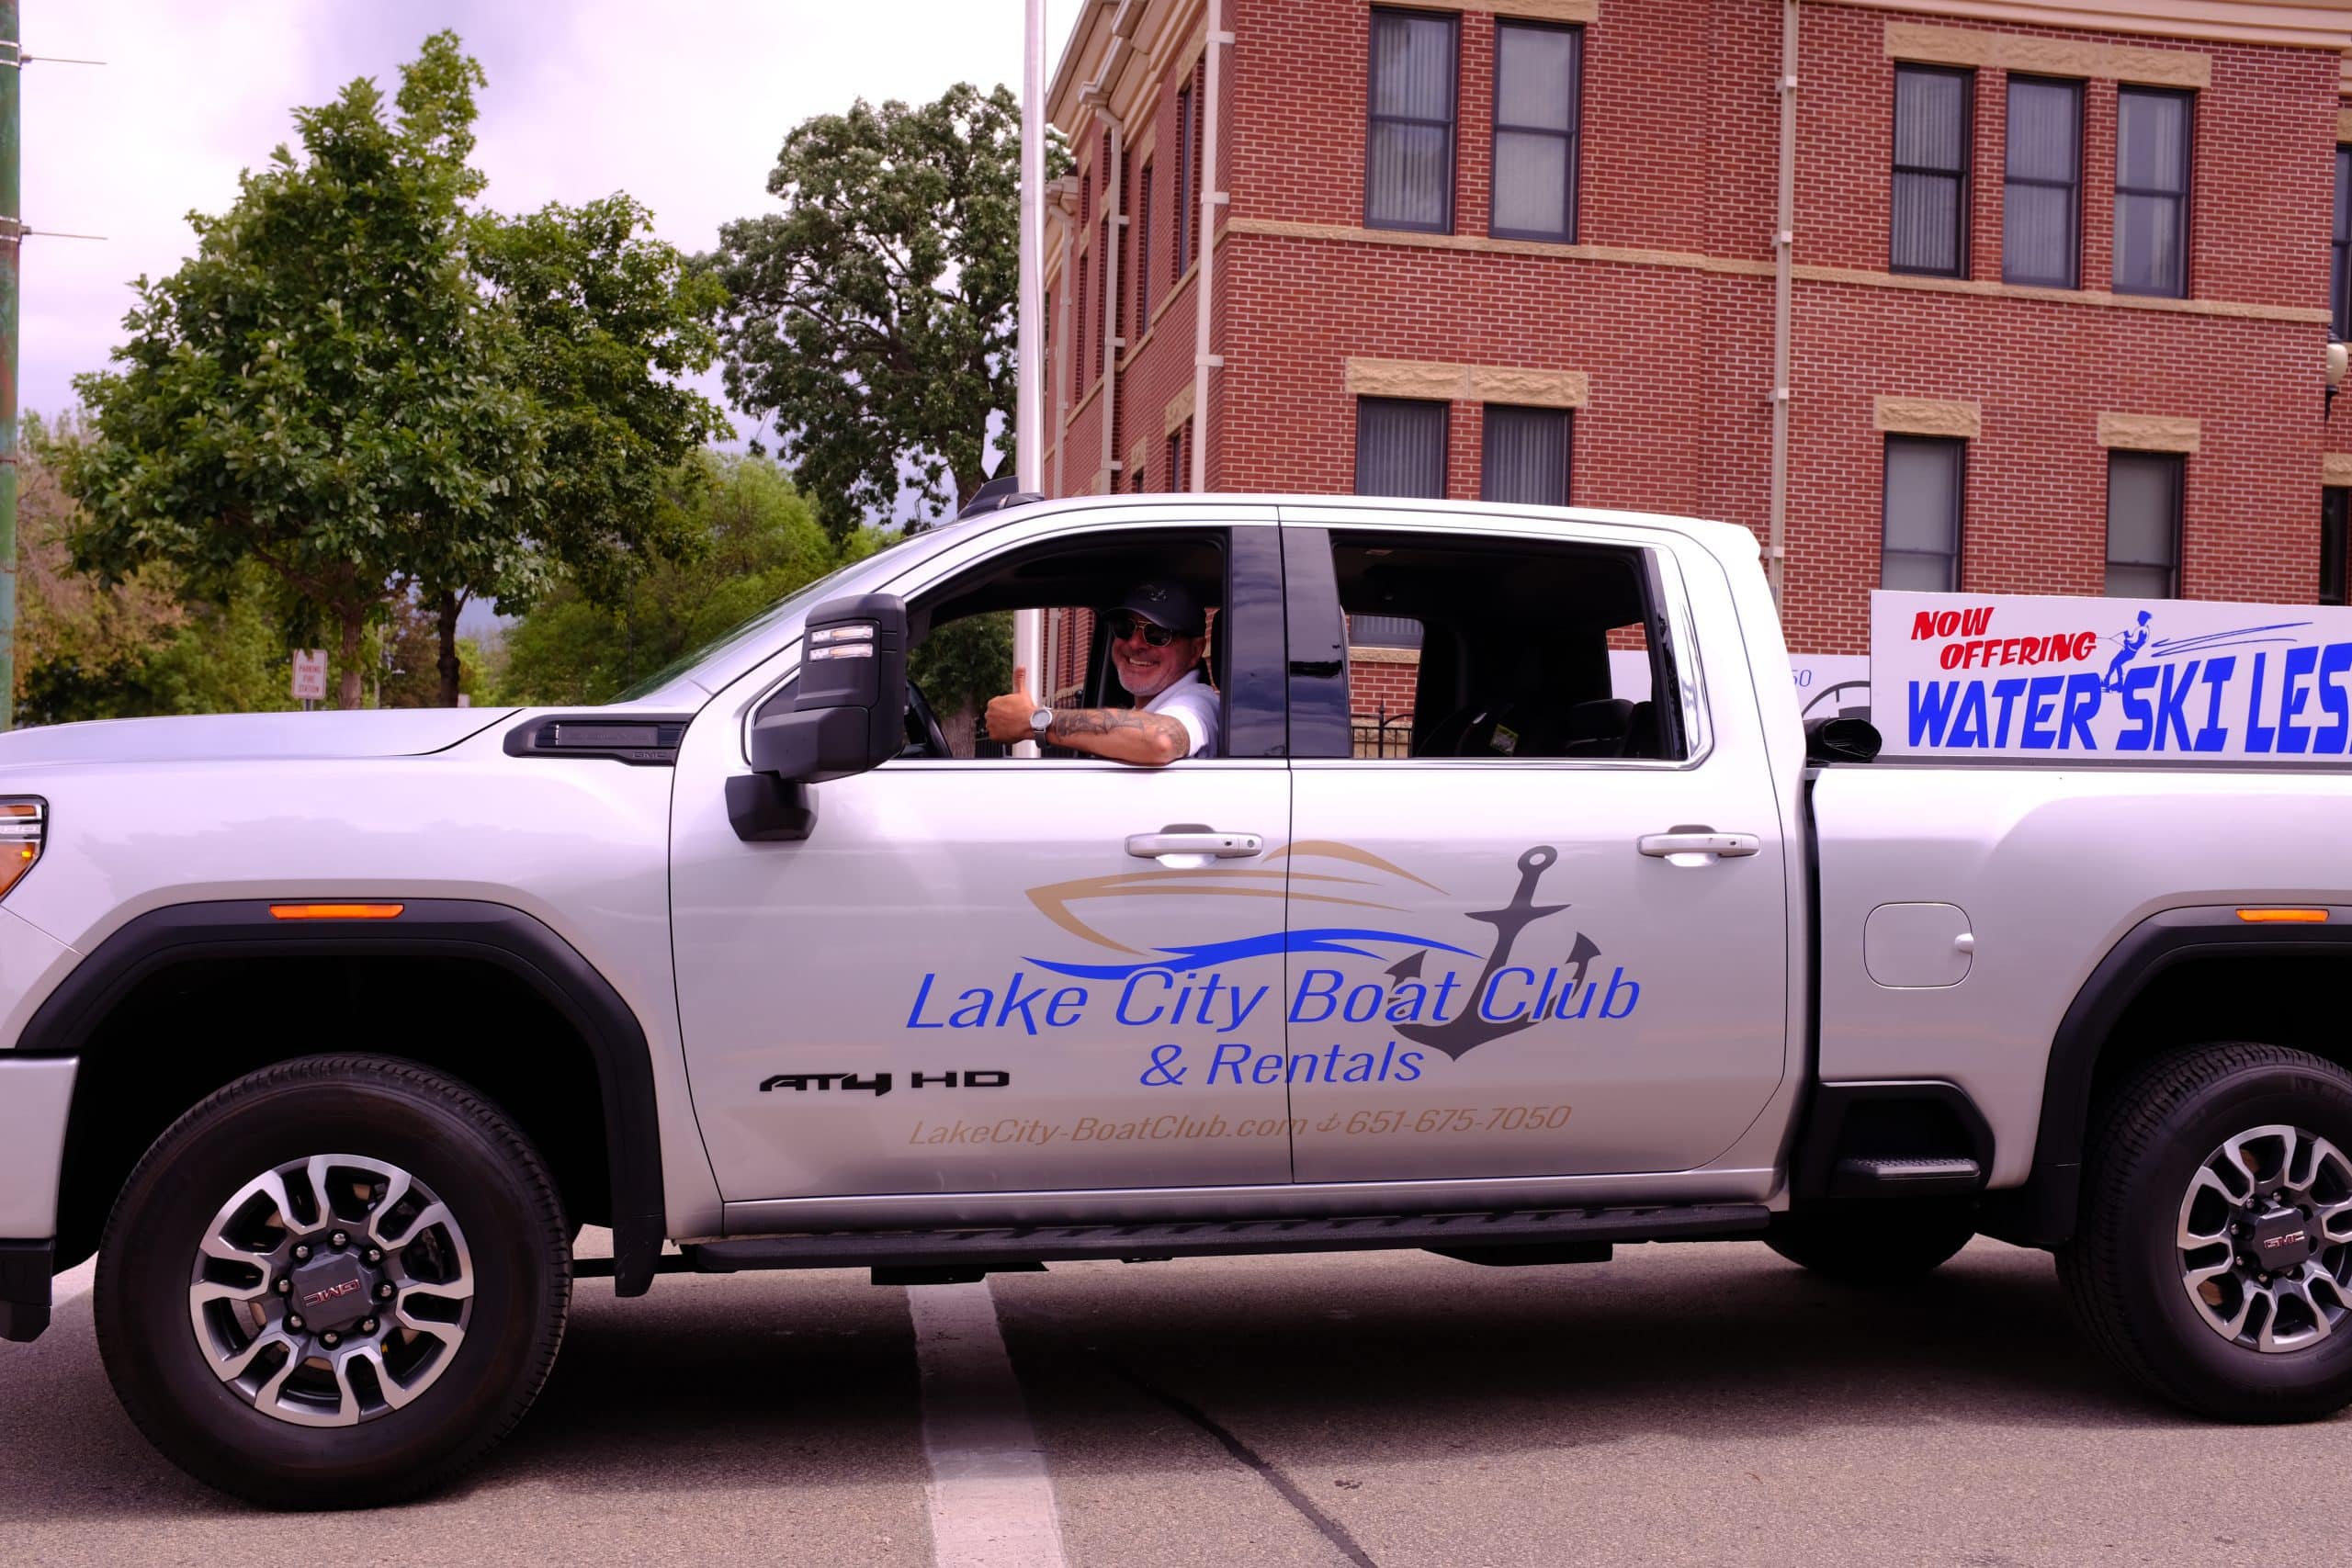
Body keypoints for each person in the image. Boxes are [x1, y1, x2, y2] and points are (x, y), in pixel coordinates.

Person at [982, 580, 1221, 766]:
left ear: (1194, 651)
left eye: (1157, 634)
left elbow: (1160, 739)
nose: (1135, 643)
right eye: (1124, 627)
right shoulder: (1154, 708)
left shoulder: (1199, 703)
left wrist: (1032, 721)